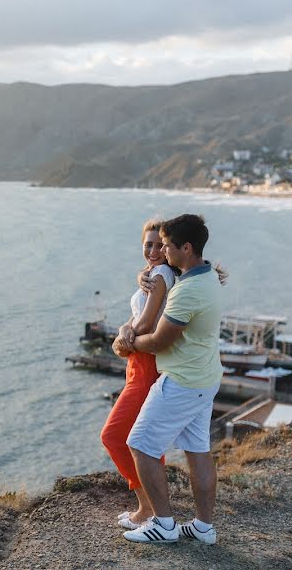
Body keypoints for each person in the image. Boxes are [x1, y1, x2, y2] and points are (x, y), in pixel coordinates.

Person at [120, 214, 226, 545]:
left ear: (187, 247)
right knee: (197, 450)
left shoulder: (188, 291)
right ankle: (203, 527)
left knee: (140, 443)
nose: (162, 251)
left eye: (167, 245)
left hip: (182, 380)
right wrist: (146, 277)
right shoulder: (206, 276)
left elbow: (160, 340)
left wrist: (128, 341)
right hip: (206, 377)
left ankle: (162, 524)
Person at [101, 219, 178, 530]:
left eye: (159, 244)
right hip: (142, 365)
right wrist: (124, 328)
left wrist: (124, 336)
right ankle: (153, 508)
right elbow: (138, 317)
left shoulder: (160, 273)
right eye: (148, 244)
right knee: (147, 442)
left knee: (113, 436)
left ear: (170, 247)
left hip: (146, 366)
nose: (153, 250)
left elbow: (145, 325)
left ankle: (148, 507)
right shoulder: (153, 274)